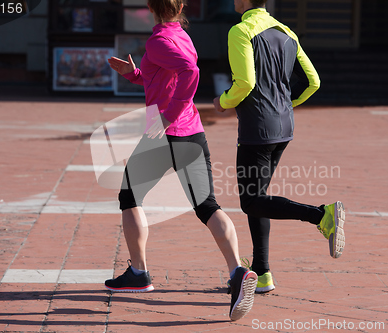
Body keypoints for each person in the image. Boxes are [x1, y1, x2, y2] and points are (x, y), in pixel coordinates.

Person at [105, 0, 257, 321]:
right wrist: (133, 73)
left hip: (164, 134)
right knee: (207, 205)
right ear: (181, 6)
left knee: (129, 196)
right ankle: (237, 273)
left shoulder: (158, 40)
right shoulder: (181, 35)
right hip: (193, 133)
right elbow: (166, 80)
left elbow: (190, 72)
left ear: (150, 6)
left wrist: (167, 117)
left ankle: (138, 274)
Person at [213, 0, 345, 294]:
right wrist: (285, 105)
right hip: (284, 128)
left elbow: (244, 83)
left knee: (250, 201)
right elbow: (313, 82)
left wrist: (222, 102)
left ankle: (321, 215)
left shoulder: (241, 31)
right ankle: (262, 273)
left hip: (257, 130)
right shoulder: (287, 32)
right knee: (258, 198)